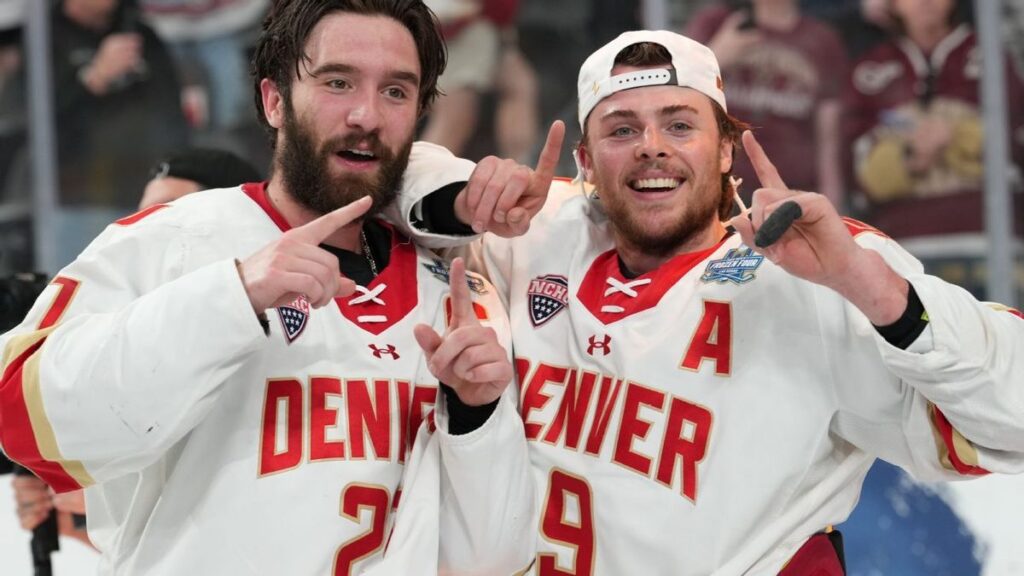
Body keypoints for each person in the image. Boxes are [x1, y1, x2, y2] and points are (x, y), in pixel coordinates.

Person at [413, 29, 1024, 573]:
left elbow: (1012, 417)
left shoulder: (818, 267)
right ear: (585, 162)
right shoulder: (535, 230)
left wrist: (871, 287)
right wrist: (464, 196)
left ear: (727, 150)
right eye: (622, 129)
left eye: (680, 125)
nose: (652, 146)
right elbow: (395, 170)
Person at [0, 0, 551, 573]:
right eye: (338, 82)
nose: (366, 115)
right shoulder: (174, 239)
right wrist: (230, 297)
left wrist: (475, 417)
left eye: (395, 91)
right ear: (274, 101)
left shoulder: (455, 294)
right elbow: (21, 419)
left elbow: (492, 558)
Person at [8, 146, 262, 551]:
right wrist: (88, 521)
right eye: (143, 211)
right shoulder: (122, 343)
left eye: (169, 209)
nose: (148, 225)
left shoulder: (274, 336)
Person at [845, 0, 1024, 300]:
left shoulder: (995, 57)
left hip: (990, 241)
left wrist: (953, 134)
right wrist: (908, 158)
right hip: (903, 250)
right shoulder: (868, 70)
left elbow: (1015, 145)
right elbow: (857, 171)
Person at [686, 0, 848, 208]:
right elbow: (675, 93)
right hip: (720, 184)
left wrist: (831, 197)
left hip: (791, 189)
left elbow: (828, 133)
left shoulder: (822, 40)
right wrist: (717, 54)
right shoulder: (716, 23)